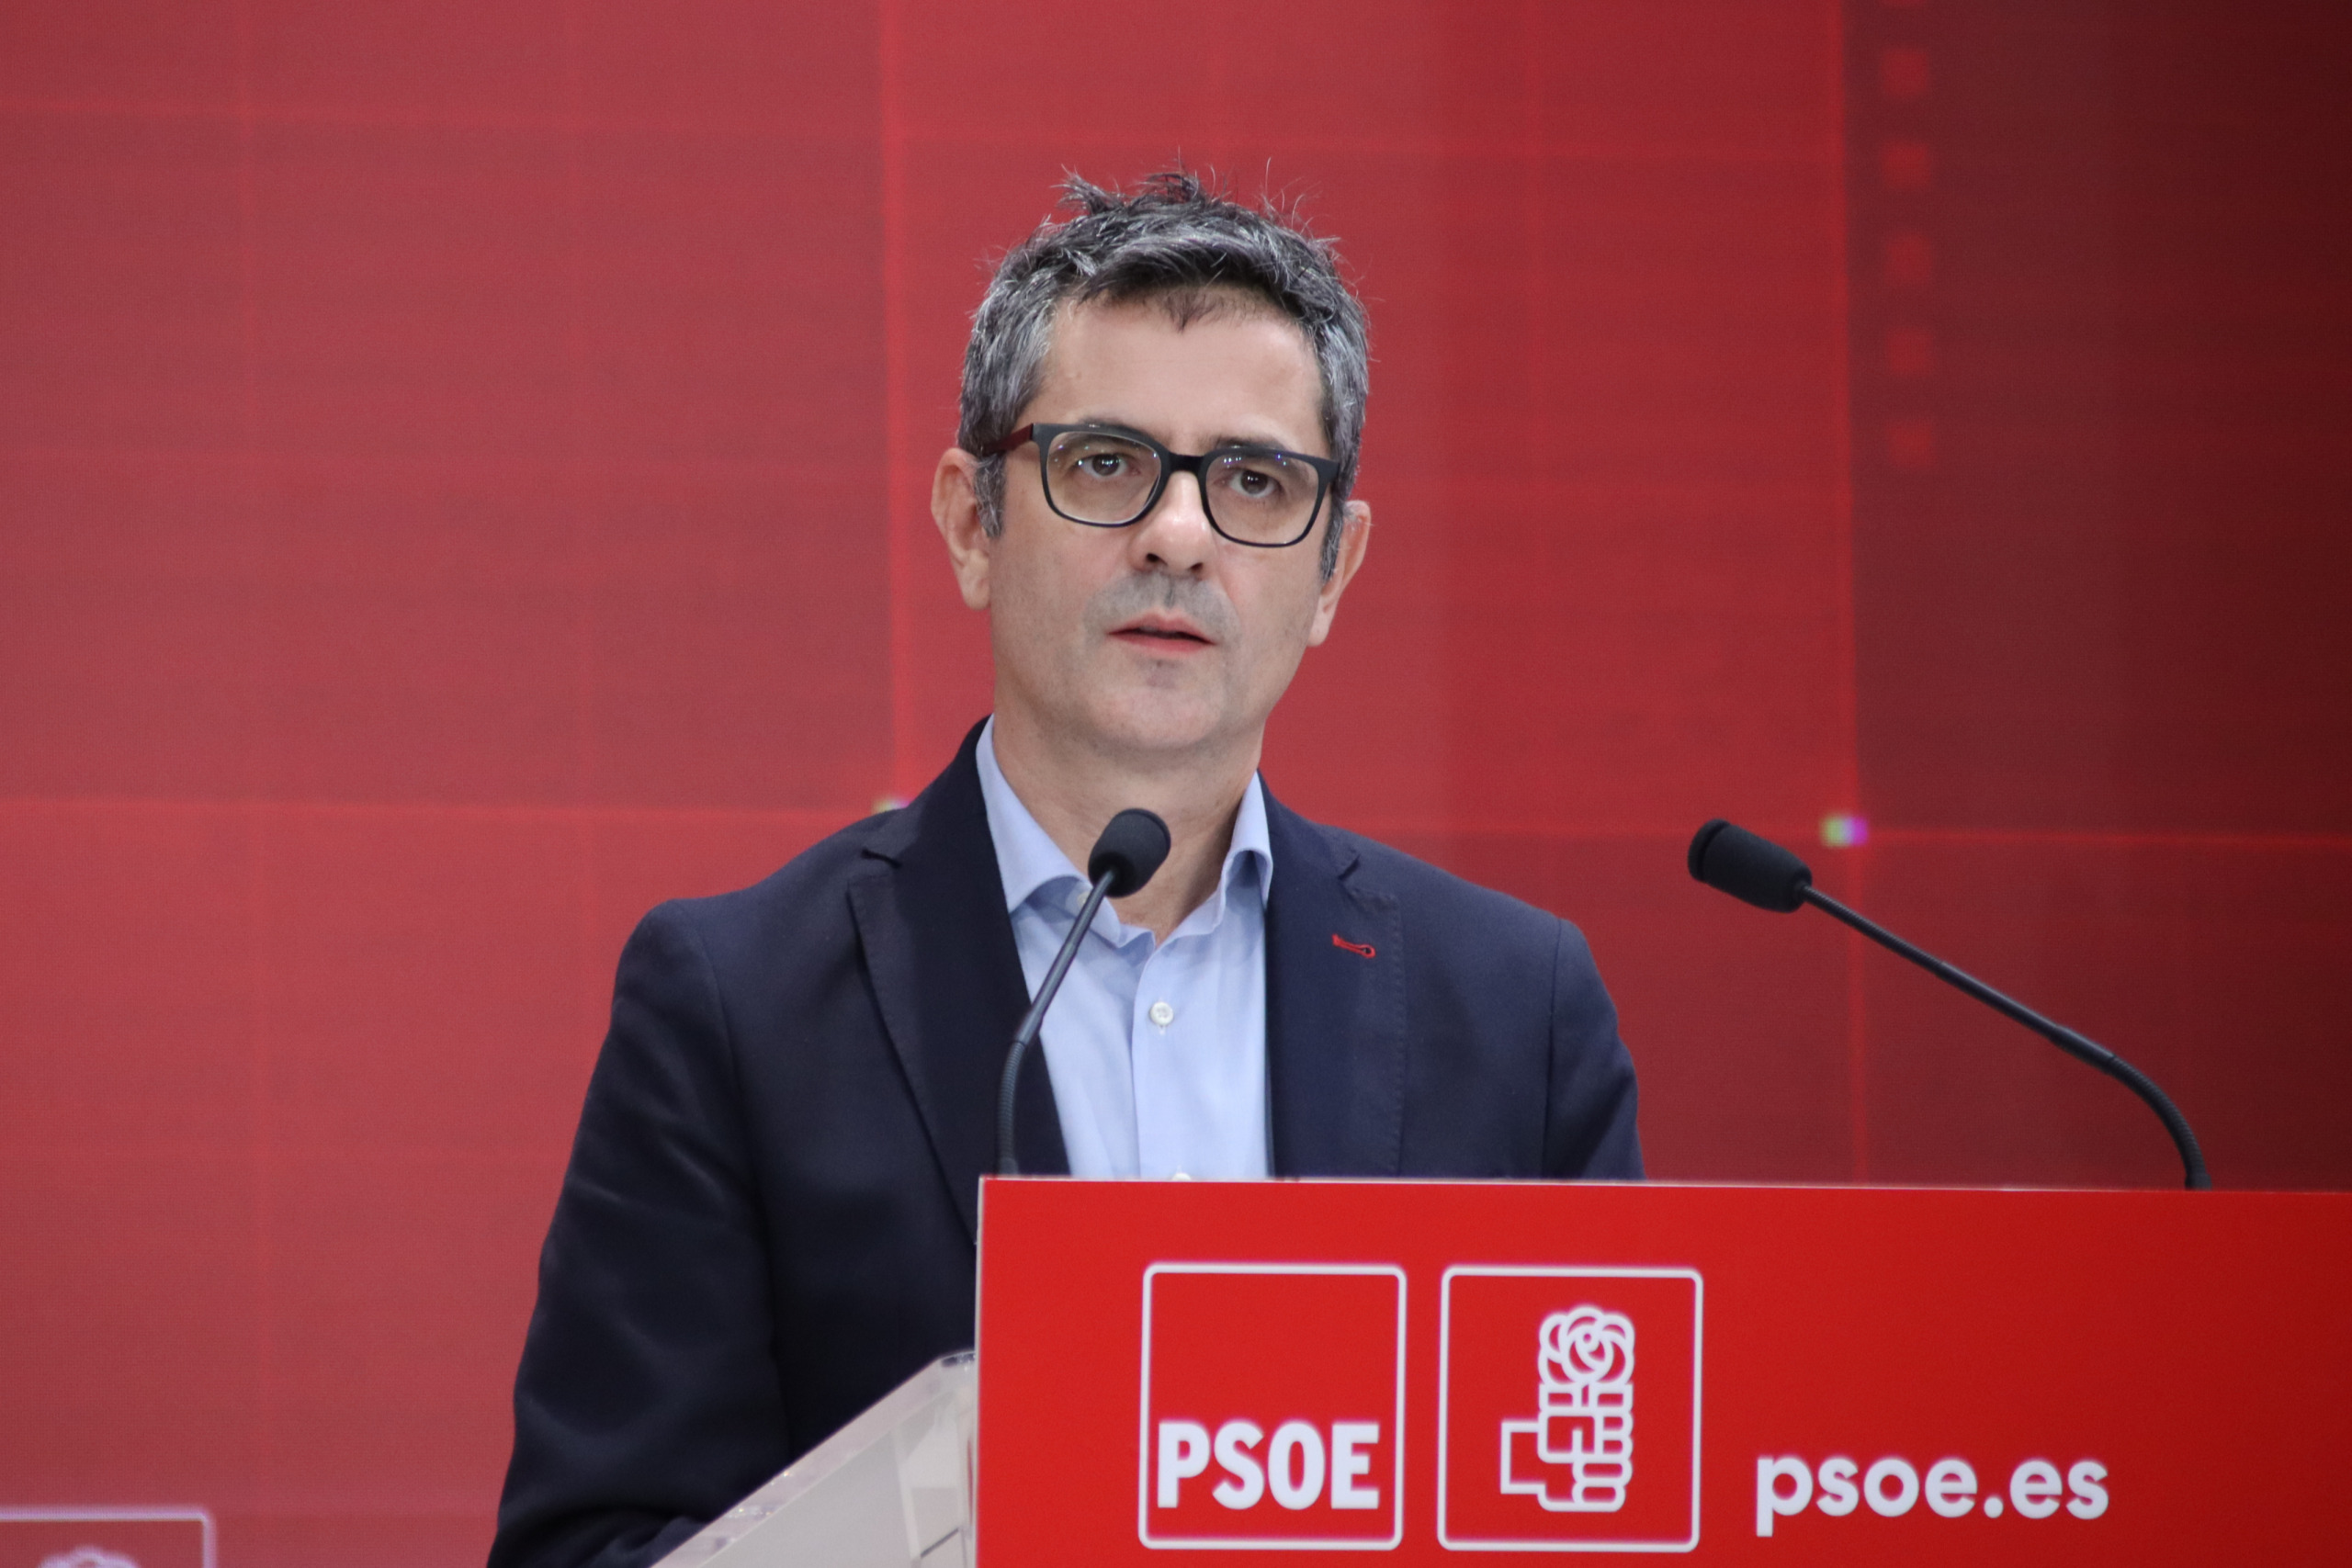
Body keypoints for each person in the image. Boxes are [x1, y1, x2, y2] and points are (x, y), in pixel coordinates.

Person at [489, 171, 1642, 1568]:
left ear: (1334, 570)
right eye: (1105, 463)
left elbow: (1616, 1510)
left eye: (1256, 481)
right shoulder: (739, 1006)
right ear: (973, 522)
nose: (1179, 535)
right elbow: (589, 1545)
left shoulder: (1514, 1013)